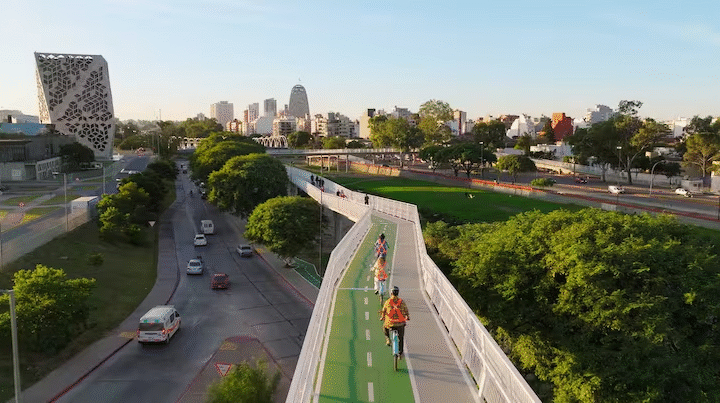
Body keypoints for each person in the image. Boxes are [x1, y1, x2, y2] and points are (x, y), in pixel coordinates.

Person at [380, 286, 409, 356]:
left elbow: (383, 311)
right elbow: (406, 310)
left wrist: (382, 317)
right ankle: (400, 352)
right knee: (401, 338)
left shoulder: (388, 302)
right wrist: (407, 316)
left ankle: (388, 339)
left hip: (390, 323)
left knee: (384, 326)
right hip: (400, 324)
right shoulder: (401, 302)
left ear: (391, 293)